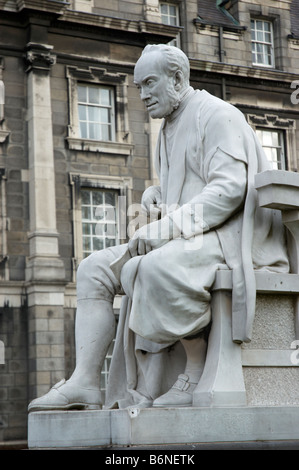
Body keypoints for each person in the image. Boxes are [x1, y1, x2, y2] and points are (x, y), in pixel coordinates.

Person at [28, 44, 289, 412]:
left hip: (233, 237)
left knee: (150, 267)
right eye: (137, 87)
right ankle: (85, 381)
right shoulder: (168, 127)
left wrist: (165, 228)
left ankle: (194, 372)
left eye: (149, 83)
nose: (143, 95)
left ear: (178, 79)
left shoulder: (219, 115)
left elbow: (229, 189)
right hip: (192, 233)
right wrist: (157, 194)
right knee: (93, 270)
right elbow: (188, 187)